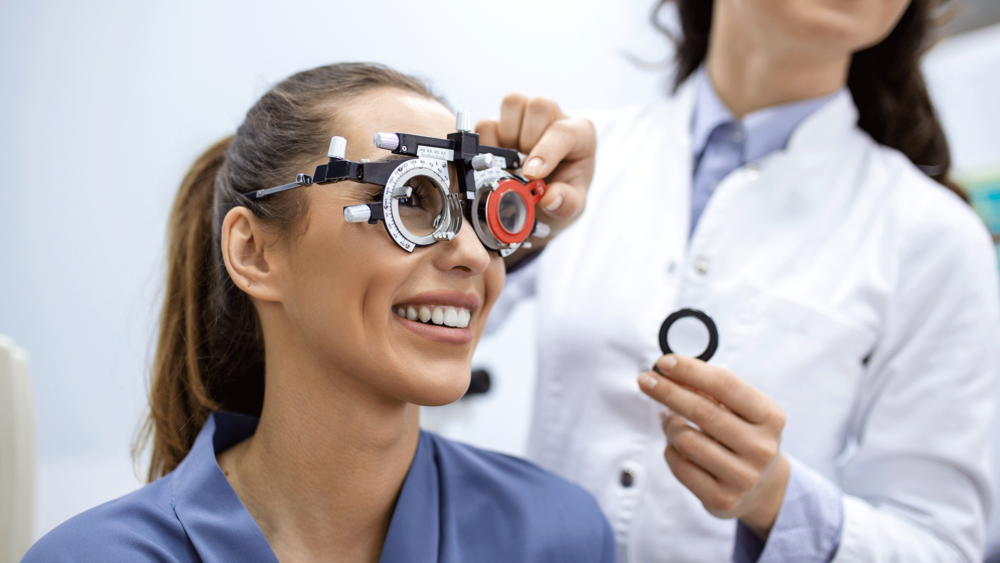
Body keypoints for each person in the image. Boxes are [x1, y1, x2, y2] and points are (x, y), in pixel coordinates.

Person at [21, 63, 615, 563]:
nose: (469, 253)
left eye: (482, 211)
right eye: (411, 199)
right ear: (254, 252)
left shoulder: (556, 535)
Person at [478, 0, 1000, 560]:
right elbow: (394, 339)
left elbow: (940, 544)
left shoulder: (936, 236)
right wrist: (497, 223)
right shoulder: (567, 159)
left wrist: (777, 499)